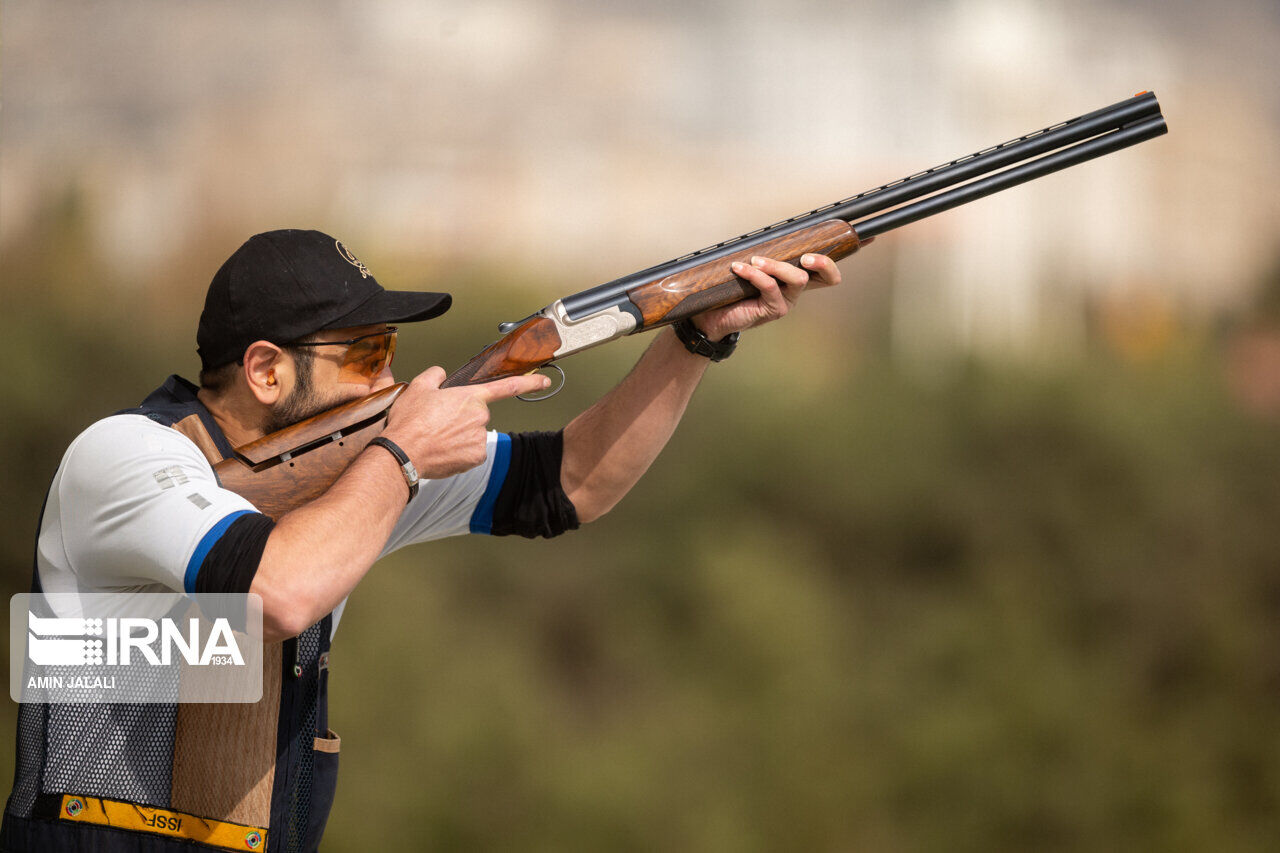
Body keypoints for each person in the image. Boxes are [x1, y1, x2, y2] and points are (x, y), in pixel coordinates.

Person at [2, 229, 842, 852]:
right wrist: (400, 455)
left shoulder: (350, 481)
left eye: (393, 349)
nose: (392, 380)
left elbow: (572, 483)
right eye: (366, 353)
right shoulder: (121, 456)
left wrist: (693, 340)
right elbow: (278, 592)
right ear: (265, 371)